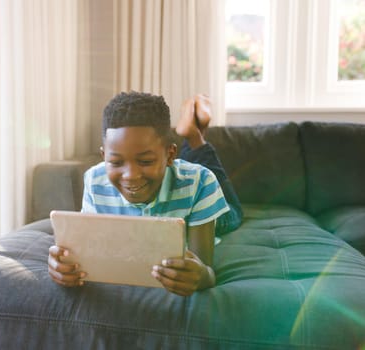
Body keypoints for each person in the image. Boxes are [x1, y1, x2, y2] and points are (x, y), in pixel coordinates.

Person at [48, 91, 243, 296]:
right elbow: (88, 251)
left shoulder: (200, 182)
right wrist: (63, 267)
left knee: (233, 215)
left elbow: (206, 271)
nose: (130, 176)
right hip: (168, 171)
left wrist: (201, 275)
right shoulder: (94, 180)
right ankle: (188, 137)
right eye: (116, 162)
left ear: (170, 155)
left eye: (145, 161)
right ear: (104, 156)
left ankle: (195, 137)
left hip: (198, 211)